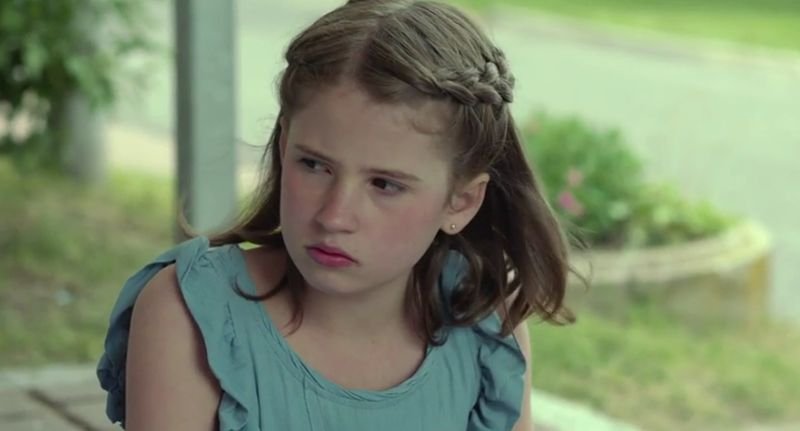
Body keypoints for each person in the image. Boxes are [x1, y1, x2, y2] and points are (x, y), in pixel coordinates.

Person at [97, 0, 574, 429]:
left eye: (384, 184)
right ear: (284, 146)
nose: (334, 216)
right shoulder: (192, 314)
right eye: (314, 165)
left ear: (461, 202)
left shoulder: (486, 321)